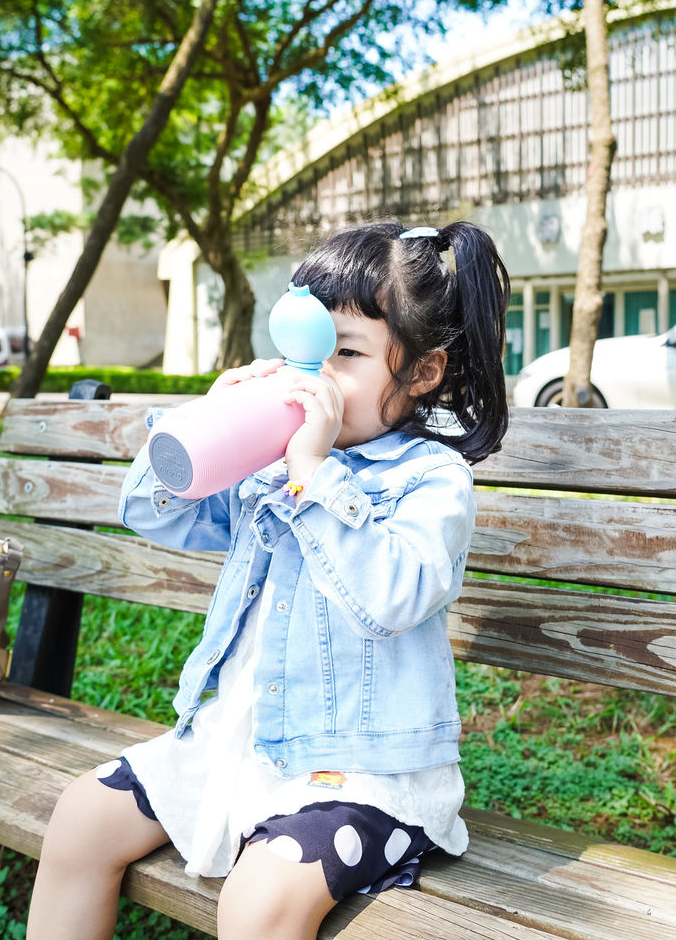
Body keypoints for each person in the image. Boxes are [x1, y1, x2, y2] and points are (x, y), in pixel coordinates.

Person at [27, 220, 510, 940]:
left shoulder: (428, 481)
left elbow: (394, 597)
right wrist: (212, 420)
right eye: (302, 350)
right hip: (235, 746)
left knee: (259, 902)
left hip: (361, 773)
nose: (313, 376)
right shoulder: (270, 458)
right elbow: (153, 512)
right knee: (79, 820)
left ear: (421, 372)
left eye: (343, 353)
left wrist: (315, 479)